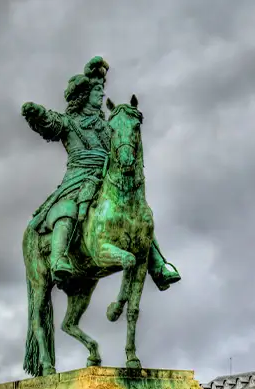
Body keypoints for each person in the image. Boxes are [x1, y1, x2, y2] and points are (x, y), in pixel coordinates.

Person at [22, 55, 179, 289]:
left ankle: (158, 265)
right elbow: (50, 123)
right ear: (84, 96)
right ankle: (59, 258)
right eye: (97, 92)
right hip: (80, 177)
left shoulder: (107, 126)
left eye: (101, 92)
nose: (101, 96)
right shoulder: (69, 122)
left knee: (137, 213)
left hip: (108, 175)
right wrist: (37, 113)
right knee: (68, 209)